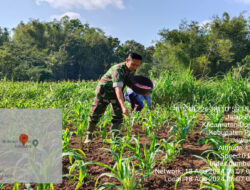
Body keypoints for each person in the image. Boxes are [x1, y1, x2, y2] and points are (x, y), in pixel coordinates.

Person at [84, 53, 142, 143]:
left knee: (118, 116)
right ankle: (89, 136)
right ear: (127, 60)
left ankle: (115, 139)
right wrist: (123, 106)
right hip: (104, 92)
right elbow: (118, 89)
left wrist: (139, 96)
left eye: (137, 65)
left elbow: (131, 85)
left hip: (116, 94)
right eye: (133, 64)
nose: (135, 67)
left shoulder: (131, 70)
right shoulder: (118, 70)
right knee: (96, 113)